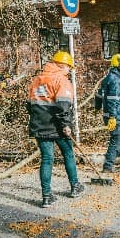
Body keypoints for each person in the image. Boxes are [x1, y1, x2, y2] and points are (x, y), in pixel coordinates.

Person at [28, 51, 84, 208]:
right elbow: (63, 106)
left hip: (40, 126)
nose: (69, 71)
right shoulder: (61, 81)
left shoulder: (37, 80)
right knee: (68, 154)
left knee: (47, 159)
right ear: (63, 65)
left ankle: (46, 196)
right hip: (58, 127)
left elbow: (29, 105)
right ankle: (75, 187)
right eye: (69, 67)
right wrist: (65, 125)